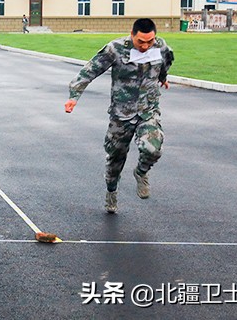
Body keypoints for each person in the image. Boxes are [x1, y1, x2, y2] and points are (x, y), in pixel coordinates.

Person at [64, 18, 174, 214]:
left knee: (153, 148)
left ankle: (141, 172)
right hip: (121, 115)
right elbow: (90, 70)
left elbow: (166, 62)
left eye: (149, 41)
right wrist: (74, 95)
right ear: (132, 35)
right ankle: (111, 192)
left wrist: (163, 78)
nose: (145, 46)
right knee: (115, 159)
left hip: (148, 110)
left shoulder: (160, 46)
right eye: (141, 41)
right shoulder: (115, 49)